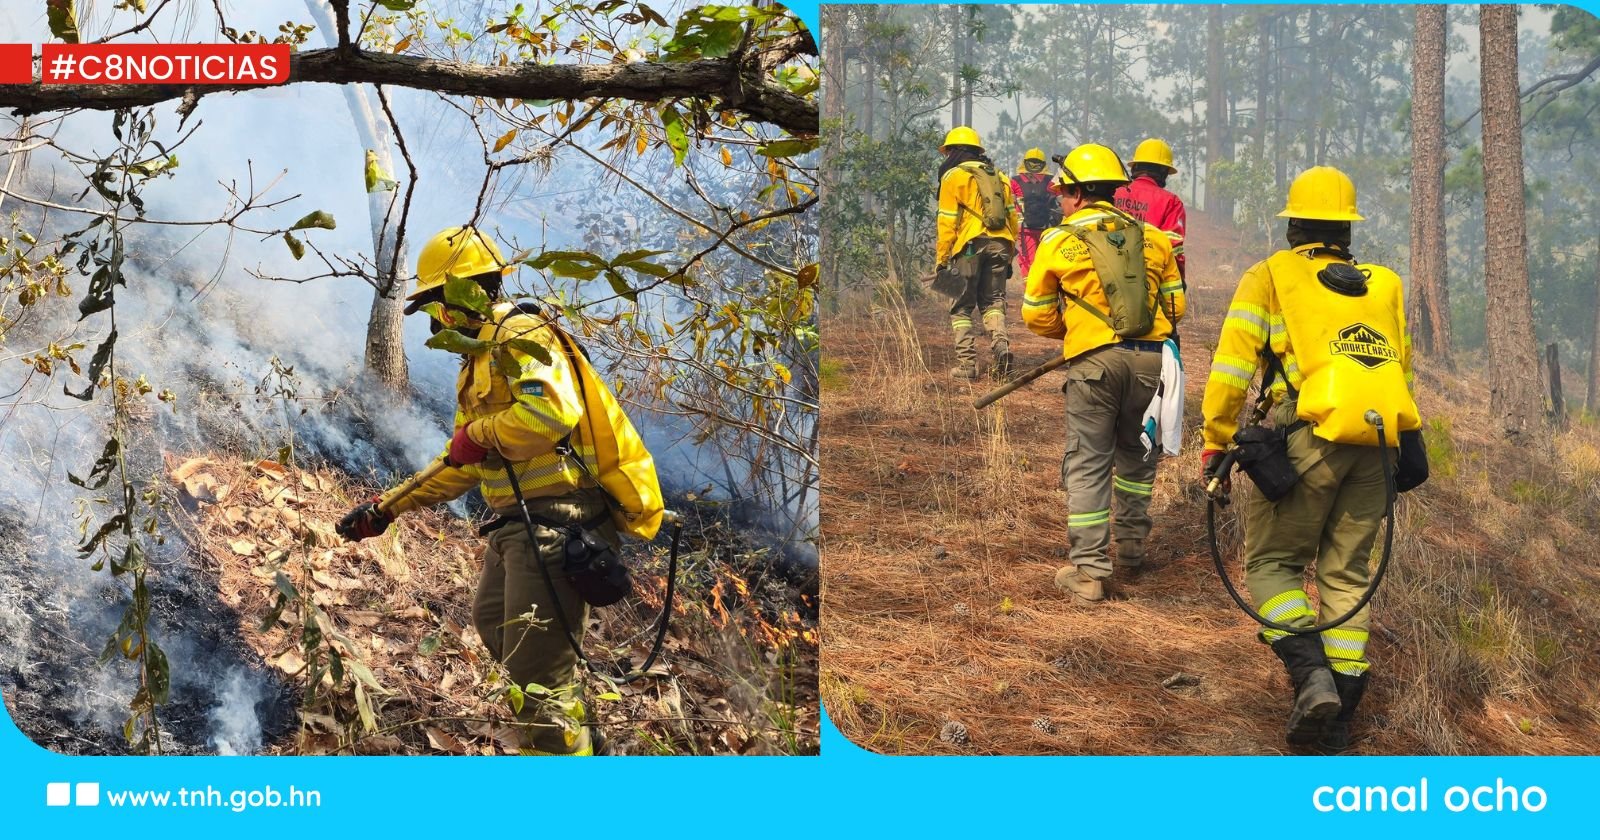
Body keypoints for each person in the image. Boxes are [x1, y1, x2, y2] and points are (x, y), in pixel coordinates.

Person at [335, 225, 664, 755]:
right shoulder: (482, 359)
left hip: (558, 525)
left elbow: (550, 414)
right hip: (518, 527)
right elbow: (463, 462)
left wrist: (479, 434)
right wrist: (387, 508)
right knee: (497, 627)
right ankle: (583, 749)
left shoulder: (521, 335)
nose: (438, 321)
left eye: (438, 305)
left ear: (464, 292)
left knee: (538, 687)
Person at [1199, 166, 1420, 752]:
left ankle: (1310, 679)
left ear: (1294, 224)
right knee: (1346, 575)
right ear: (1348, 231)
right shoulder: (1385, 284)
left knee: (1272, 564)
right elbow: (1400, 368)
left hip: (1308, 438)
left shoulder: (1271, 275)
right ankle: (1340, 719)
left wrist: (1217, 439)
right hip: (1379, 447)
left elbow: (1231, 368)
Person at [1021, 143, 1185, 602]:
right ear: (1113, 190)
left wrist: (1076, 331)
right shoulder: (1153, 239)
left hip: (1094, 364)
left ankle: (1091, 572)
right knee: (1137, 455)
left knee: (1089, 461)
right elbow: (1177, 305)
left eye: (1063, 193)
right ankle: (1132, 549)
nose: (1059, 200)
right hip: (1151, 362)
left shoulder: (1057, 241)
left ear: (1075, 193)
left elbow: (1035, 313)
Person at [936, 125, 1018, 380]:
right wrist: (1010, 253)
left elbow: (947, 222)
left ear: (954, 151)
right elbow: (1013, 220)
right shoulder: (1001, 178)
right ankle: (1001, 345)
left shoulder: (953, 177)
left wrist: (942, 259)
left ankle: (967, 366)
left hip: (970, 247)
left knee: (961, 307)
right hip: (1001, 245)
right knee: (993, 302)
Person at [1114, 138, 1187, 282]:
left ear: (1135, 167)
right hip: (1149, 280)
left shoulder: (1114, 191)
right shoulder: (1171, 202)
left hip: (1107, 273)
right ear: (1164, 171)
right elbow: (1174, 249)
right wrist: (1179, 283)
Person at [1011, 147, 1060, 280]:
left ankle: (1030, 290)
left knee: (1027, 260)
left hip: (1024, 229)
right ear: (1044, 163)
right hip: (1047, 228)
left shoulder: (1015, 181)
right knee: (1045, 259)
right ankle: (1043, 285)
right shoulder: (1051, 181)